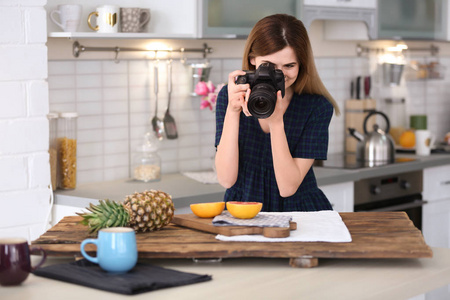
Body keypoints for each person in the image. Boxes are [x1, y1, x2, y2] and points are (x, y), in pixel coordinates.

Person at [214, 14, 340, 212]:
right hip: (243, 210)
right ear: (253, 59)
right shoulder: (228, 97)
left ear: (302, 64)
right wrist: (232, 110)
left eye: (289, 66)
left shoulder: (317, 107)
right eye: (270, 66)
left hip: (299, 213)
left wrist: (276, 123)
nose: (279, 75)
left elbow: (288, 188)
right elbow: (226, 179)